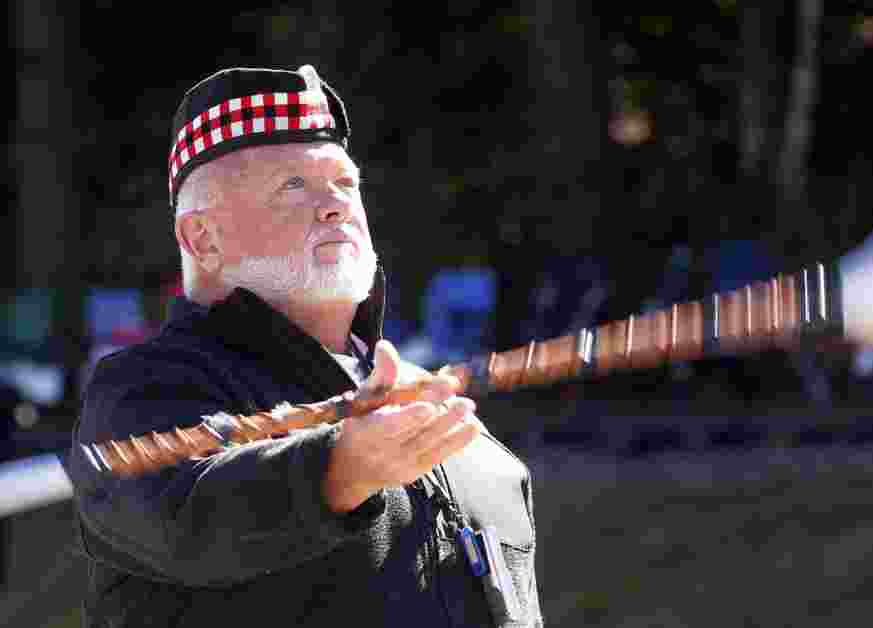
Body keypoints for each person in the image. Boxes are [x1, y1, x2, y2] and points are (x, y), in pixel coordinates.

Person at [66, 65, 543, 627]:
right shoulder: (143, 389)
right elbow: (180, 518)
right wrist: (340, 470)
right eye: (293, 186)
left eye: (345, 183)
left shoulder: (446, 418)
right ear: (203, 237)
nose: (335, 205)